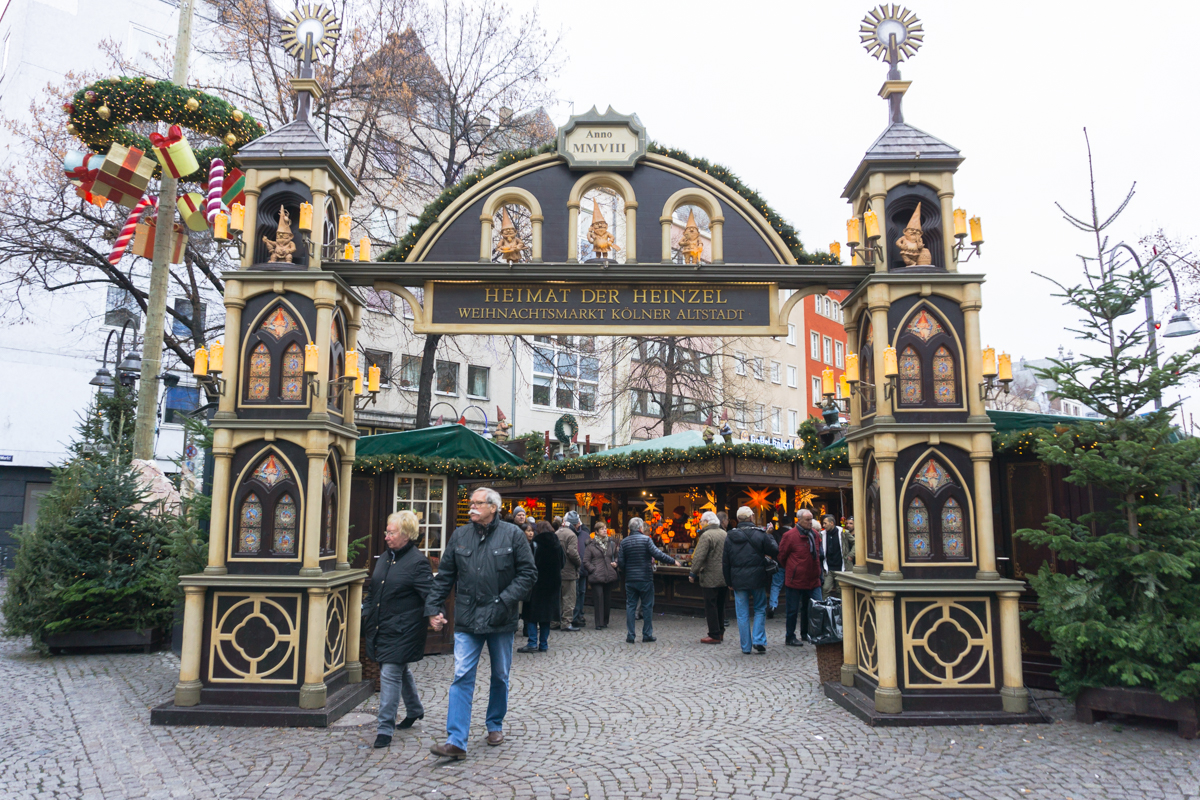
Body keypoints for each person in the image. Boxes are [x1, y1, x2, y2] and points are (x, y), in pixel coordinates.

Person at [426, 487, 536, 760]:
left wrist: (503, 601)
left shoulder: (513, 535)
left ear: (493, 507)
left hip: (501, 619)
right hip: (467, 619)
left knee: (500, 675)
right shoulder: (460, 535)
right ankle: (456, 741)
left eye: (477, 503)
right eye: (470, 503)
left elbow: (528, 574)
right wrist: (433, 608)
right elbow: (445, 575)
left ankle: (494, 724)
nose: (471, 507)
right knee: (462, 675)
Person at [363, 510, 433, 749]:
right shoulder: (385, 557)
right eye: (386, 532)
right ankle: (414, 709)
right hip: (381, 625)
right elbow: (374, 591)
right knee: (398, 670)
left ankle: (384, 728)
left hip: (405, 630)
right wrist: (366, 612)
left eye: (391, 533)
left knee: (390, 672)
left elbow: (430, 594)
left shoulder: (418, 562)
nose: (386, 537)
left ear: (406, 535)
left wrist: (436, 614)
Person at [722, 507, 778, 654]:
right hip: (757, 577)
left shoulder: (730, 536)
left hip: (738, 579)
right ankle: (758, 639)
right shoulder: (760, 534)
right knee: (760, 608)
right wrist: (770, 535)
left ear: (738, 519)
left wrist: (729, 581)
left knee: (742, 613)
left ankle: (746, 646)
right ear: (751, 517)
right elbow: (774, 551)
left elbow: (725, 562)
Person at [617, 517, 676, 643]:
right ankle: (647, 634)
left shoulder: (624, 542)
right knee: (647, 606)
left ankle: (630, 635)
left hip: (630, 579)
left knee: (631, 606)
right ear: (640, 528)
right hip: (645, 578)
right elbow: (658, 554)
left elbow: (620, 562)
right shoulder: (646, 540)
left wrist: (628, 571)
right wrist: (672, 561)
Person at [778, 510, 823, 647]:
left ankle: (806, 633)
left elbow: (819, 554)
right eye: (807, 520)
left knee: (815, 607)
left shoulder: (814, 534)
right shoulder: (789, 536)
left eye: (811, 519)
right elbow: (782, 556)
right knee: (792, 610)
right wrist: (793, 569)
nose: (810, 522)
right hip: (795, 579)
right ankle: (790, 636)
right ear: (799, 520)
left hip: (813, 578)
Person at [519, 521, 563, 653]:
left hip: (536, 584)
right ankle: (543, 644)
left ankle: (532, 643)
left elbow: (528, 563)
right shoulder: (557, 544)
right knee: (546, 616)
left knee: (532, 615)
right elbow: (562, 563)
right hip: (552, 585)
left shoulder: (535, 544)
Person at [688, 511, 727, 644]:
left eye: (701, 521)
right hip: (724, 576)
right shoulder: (724, 534)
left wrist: (693, 573)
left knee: (711, 606)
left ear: (707, 522)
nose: (700, 524)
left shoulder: (706, 535)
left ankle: (714, 634)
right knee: (720, 605)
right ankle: (720, 632)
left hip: (710, 577)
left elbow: (699, 556)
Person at [583, 521, 618, 629]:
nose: (604, 530)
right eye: (602, 529)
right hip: (596, 576)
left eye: (605, 528)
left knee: (607, 599)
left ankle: (605, 621)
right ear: (597, 532)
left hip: (608, 574)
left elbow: (617, 556)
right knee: (598, 598)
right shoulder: (591, 545)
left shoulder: (611, 544)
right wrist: (593, 570)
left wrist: (616, 562)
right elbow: (586, 561)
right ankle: (599, 623)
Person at [555, 513, 582, 631]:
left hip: (557, 571)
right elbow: (572, 552)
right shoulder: (571, 535)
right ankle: (566, 623)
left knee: (558, 598)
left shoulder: (557, 533)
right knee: (569, 599)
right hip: (569, 571)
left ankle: (554, 621)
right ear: (575, 523)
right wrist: (579, 563)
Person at [569, 512, 590, 629]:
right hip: (571, 570)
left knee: (581, 592)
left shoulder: (585, 535)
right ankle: (573, 616)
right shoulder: (568, 533)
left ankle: (580, 614)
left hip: (583, 569)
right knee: (574, 593)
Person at [820, 514, 845, 597]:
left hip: (840, 567)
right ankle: (825, 604)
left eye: (825, 523)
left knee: (840, 590)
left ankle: (841, 605)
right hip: (828, 568)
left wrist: (851, 555)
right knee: (825, 589)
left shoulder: (842, 533)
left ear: (832, 523)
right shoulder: (822, 534)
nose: (823, 526)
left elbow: (855, 543)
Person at [766, 518, 785, 619]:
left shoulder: (776, 534)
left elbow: (773, 548)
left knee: (776, 585)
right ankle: (791, 606)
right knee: (792, 586)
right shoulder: (794, 533)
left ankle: (772, 606)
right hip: (791, 565)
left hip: (779, 564)